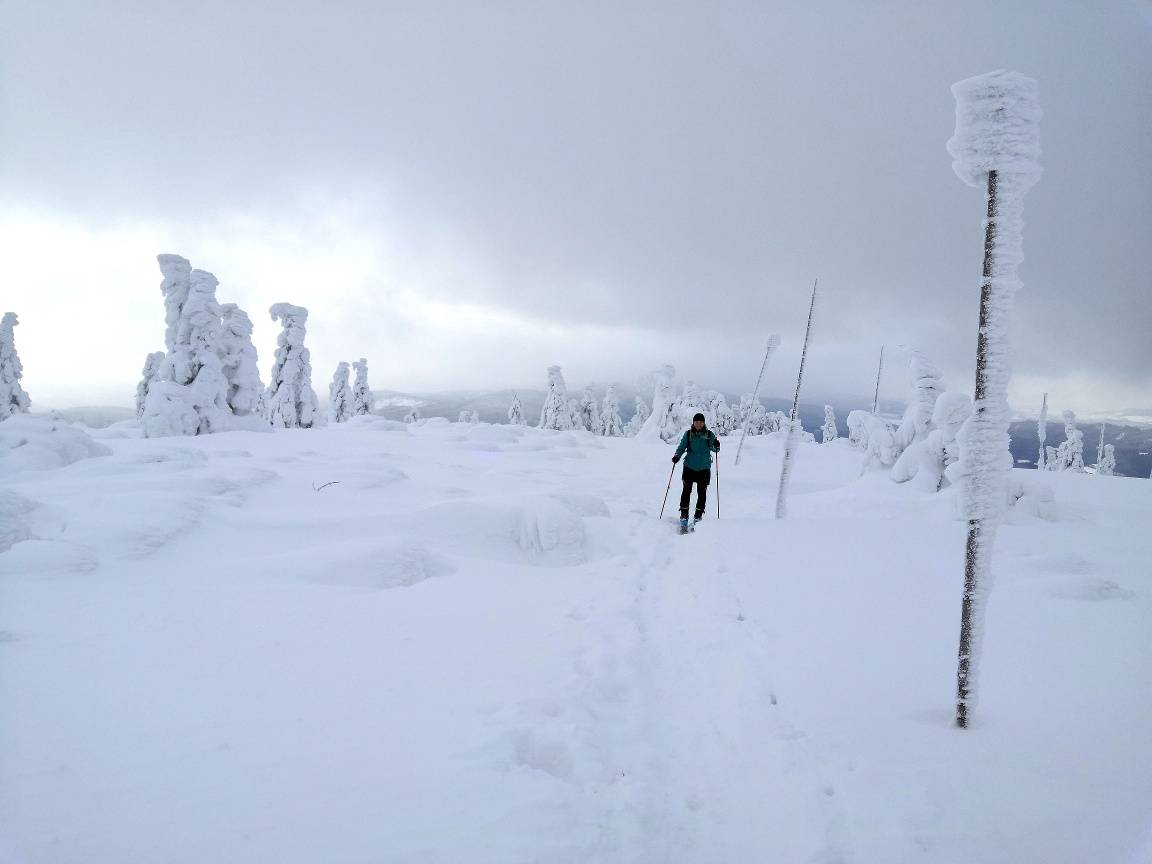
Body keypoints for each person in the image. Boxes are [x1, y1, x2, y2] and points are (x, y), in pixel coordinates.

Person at [672, 412, 720, 529]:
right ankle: (684, 516)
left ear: (704, 423)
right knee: (686, 492)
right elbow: (682, 447)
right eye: (697, 421)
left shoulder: (709, 435)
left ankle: (697, 517)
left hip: (704, 469)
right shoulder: (688, 434)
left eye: (701, 422)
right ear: (693, 422)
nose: (699, 424)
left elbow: (715, 449)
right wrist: (677, 456)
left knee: (702, 493)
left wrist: (717, 445)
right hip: (689, 467)